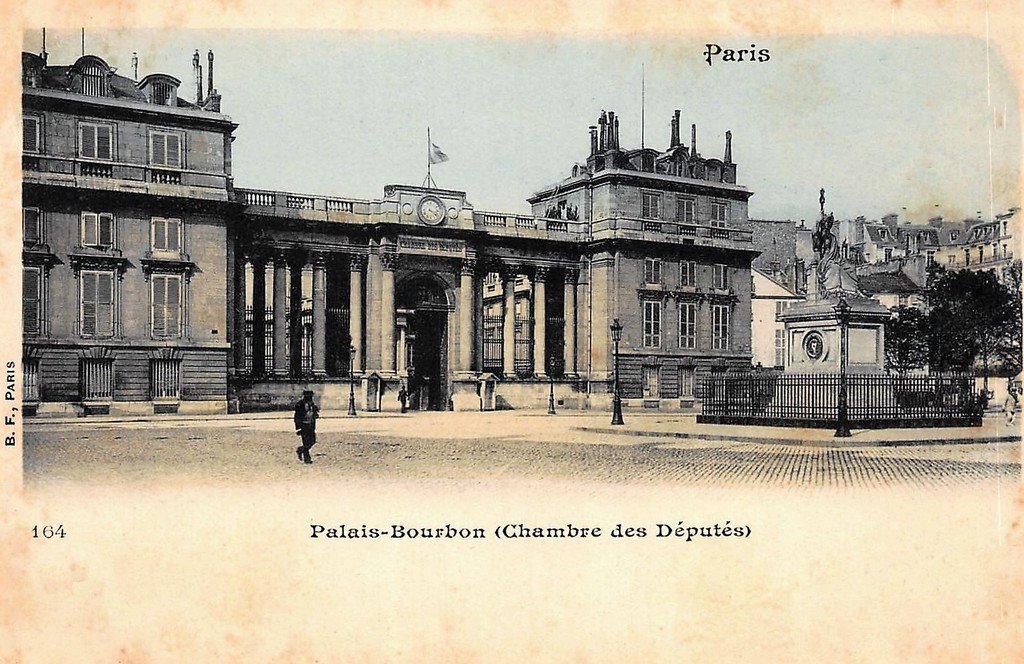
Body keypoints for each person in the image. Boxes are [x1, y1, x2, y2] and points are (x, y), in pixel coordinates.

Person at [293, 390, 320, 464]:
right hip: (303, 425)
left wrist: (315, 414)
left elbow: (315, 415)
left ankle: (300, 450)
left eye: (311, 396)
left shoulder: (312, 405)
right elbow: (297, 417)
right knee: (305, 442)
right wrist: (298, 428)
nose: (310, 398)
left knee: (313, 441)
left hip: (311, 425)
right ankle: (307, 459)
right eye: (308, 396)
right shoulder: (300, 404)